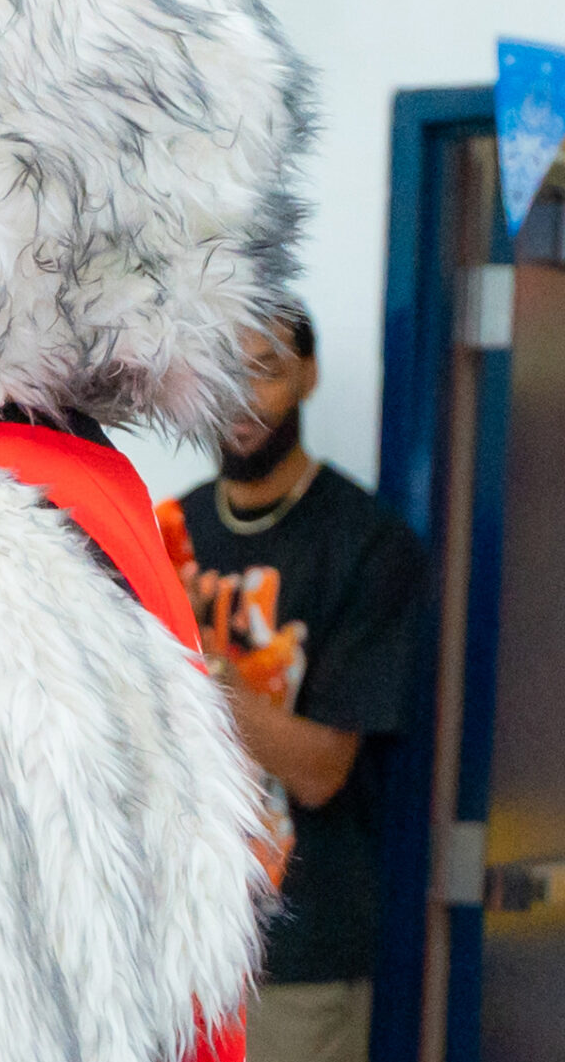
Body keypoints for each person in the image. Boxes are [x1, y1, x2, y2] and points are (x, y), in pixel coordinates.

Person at [175, 303, 426, 1062]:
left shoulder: (367, 545)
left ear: (307, 375)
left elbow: (320, 772)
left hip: (299, 962)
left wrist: (204, 665)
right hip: (177, 947)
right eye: (222, 372)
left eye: (265, 369)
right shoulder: (171, 529)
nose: (241, 398)